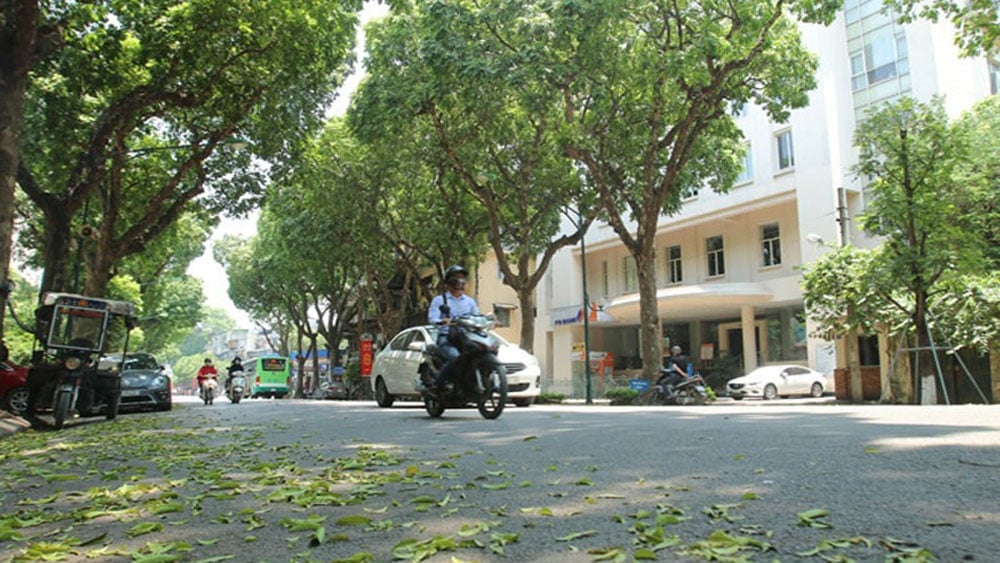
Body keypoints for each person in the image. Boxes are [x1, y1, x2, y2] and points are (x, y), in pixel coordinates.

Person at [426, 265, 479, 393]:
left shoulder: (470, 302)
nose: (460, 280)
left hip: (466, 337)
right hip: (446, 338)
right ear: (449, 281)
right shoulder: (439, 300)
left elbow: (477, 317)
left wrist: (490, 321)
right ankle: (438, 384)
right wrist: (442, 321)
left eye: (462, 277)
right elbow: (432, 318)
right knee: (455, 357)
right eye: (456, 277)